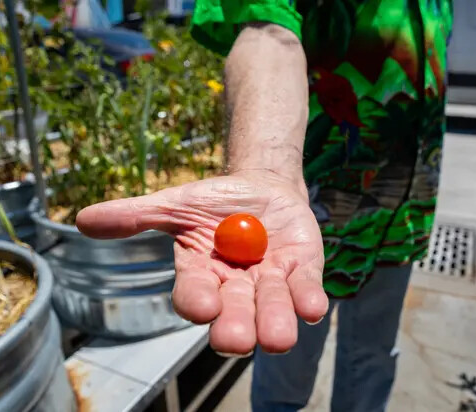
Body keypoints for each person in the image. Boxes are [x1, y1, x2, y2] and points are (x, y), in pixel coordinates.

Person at [77, 0, 453, 410]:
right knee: (285, 369)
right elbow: (269, 35)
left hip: (404, 220)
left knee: (373, 357)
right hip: (307, 230)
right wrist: (265, 169)